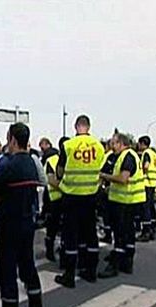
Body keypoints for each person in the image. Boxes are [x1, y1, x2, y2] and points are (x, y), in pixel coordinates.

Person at [0, 123, 44, 307]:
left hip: (10, 225)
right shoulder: (32, 162)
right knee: (28, 268)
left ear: (11, 139)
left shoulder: (9, 165)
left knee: (8, 274)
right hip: (28, 224)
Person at [54, 115, 105, 288]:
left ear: (76, 127)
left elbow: (60, 171)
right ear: (89, 127)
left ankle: (69, 274)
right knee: (90, 234)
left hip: (71, 196)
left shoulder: (68, 145)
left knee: (71, 236)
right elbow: (101, 169)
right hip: (91, 196)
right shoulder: (99, 146)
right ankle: (90, 271)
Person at [98, 133, 146, 277]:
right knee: (128, 233)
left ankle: (115, 266)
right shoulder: (128, 156)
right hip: (129, 200)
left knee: (120, 234)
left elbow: (123, 178)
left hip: (125, 201)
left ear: (121, 143)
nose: (112, 146)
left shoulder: (128, 157)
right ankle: (127, 262)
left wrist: (104, 176)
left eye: (114, 143)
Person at [137, 136, 156, 241]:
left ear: (142, 144)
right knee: (151, 207)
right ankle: (152, 228)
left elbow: (146, 166)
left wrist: (141, 173)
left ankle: (146, 231)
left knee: (145, 208)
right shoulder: (154, 154)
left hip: (146, 182)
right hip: (153, 182)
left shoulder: (146, 153)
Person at [43, 142, 62, 261]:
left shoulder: (50, 161)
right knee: (58, 225)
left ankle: (49, 249)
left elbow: (49, 180)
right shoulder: (57, 160)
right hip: (61, 197)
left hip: (53, 199)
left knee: (52, 226)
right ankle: (52, 249)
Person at [98, 139, 116, 244]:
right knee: (106, 214)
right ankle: (108, 234)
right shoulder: (111, 156)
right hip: (109, 189)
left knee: (110, 214)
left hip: (116, 190)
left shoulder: (113, 157)